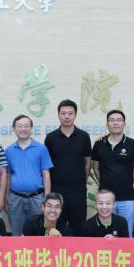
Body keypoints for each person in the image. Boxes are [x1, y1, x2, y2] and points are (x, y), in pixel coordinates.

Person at [44, 99, 92, 235]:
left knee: (78, 226)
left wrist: (81, 180)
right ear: (58, 115)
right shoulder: (51, 137)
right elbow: (47, 166)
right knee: (57, 226)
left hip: (78, 190)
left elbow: (87, 163)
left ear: (75, 115)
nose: (67, 116)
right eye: (63, 113)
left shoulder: (84, 136)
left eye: (70, 113)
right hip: (57, 189)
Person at [91, 110, 134, 237]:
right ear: (107, 124)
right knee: (106, 234)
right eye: (112, 120)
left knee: (127, 234)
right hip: (105, 200)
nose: (116, 123)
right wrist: (105, 182)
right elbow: (96, 168)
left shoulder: (133, 144)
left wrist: (126, 181)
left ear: (124, 124)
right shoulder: (99, 144)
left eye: (119, 120)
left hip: (127, 198)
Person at [5, 114, 53, 236]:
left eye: (26, 126)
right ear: (14, 129)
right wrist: (6, 198)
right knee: (16, 234)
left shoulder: (41, 148)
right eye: (20, 126)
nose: (23, 129)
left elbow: (46, 174)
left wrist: (47, 199)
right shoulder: (9, 151)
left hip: (37, 199)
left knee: (37, 234)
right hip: (15, 199)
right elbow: (8, 176)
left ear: (31, 128)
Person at [78, 189, 128, 267]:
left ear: (114, 205)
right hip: (94, 261)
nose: (104, 207)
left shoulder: (122, 222)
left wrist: (115, 242)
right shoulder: (87, 225)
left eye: (108, 203)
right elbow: (82, 251)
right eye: (100, 203)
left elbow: (126, 246)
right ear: (95, 204)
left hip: (114, 261)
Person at [22, 192, 72, 267]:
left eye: (57, 207)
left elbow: (70, 253)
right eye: (49, 206)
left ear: (61, 210)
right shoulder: (31, 223)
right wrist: (46, 241)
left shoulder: (65, 228)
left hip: (55, 263)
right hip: (35, 261)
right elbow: (24, 249)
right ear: (42, 207)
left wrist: (60, 239)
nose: (53, 210)